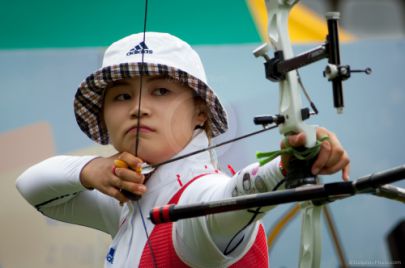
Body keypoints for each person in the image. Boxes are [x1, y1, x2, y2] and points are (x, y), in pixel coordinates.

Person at [16, 32, 350, 267]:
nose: (138, 108)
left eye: (161, 91)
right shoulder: (127, 199)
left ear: (200, 112)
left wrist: (291, 162)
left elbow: (229, 198)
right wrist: (90, 170)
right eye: (122, 96)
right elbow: (31, 187)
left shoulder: (199, 197)